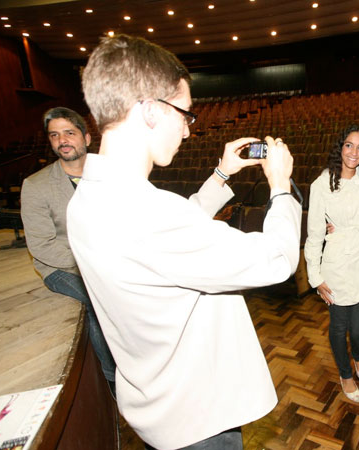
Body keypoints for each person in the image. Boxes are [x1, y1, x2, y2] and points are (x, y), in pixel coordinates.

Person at [67, 34, 301, 450]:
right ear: (150, 111)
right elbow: (276, 259)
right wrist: (281, 187)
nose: (188, 131)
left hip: (158, 403)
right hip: (199, 416)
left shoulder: (87, 197)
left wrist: (222, 174)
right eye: (185, 114)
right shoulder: (149, 216)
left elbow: (172, 238)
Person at [20, 107, 116, 388]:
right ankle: (113, 382)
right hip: (61, 265)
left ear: (86, 137)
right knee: (96, 299)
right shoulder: (36, 185)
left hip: (107, 259)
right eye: (55, 135)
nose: (62, 140)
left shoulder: (109, 175)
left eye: (69, 133)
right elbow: (41, 246)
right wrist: (91, 263)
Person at [304, 125, 359, 403]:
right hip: (336, 261)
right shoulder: (321, 184)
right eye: (349, 145)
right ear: (340, 147)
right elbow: (314, 235)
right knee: (338, 325)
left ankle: (358, 355)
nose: (354, 152)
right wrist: (315, 276)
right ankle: (345, 373)